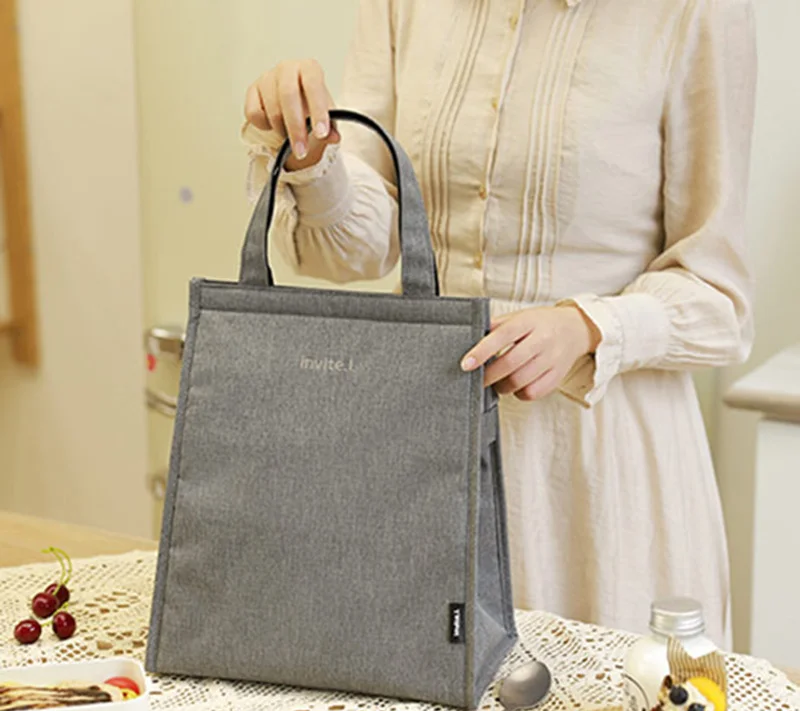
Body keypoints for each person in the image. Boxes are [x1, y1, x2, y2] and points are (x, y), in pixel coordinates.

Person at [241, 0, 757, 649]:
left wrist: (588, 327)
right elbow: (358, 251)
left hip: (598, 472)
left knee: (602, 702)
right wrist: (312, 155)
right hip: (424, 447)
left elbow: (719, 297)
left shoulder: (699, 12)